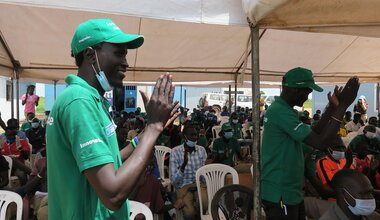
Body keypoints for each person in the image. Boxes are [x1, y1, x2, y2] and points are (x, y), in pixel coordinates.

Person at [46, 19, 180, 220]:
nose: (126, 62)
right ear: (91, 55)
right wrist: (153, 127)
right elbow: (112, 194)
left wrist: (143, 137)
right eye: (119, 53)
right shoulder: (79, 102)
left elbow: (104, 161)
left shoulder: (92, 100)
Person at [261, 67, 359, 220]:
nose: (308, 96)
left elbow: (315, 133)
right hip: (280, 191)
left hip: (290, 190)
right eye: (307, 91)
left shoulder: (285, 110)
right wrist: (342, 107)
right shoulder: (280, 111)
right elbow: (320, 142)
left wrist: (332, 108)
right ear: (295, 90)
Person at [169, 123, 208, 220]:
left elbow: (204, 174)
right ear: (184, 136)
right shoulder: (175, 151)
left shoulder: (201, 150)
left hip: (199, 184)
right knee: (189, 213)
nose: (195, 138)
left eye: (196, 135)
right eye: (192, 135)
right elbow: (174, 181)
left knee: (204, 204)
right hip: (183, 185)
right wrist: (183, 167)